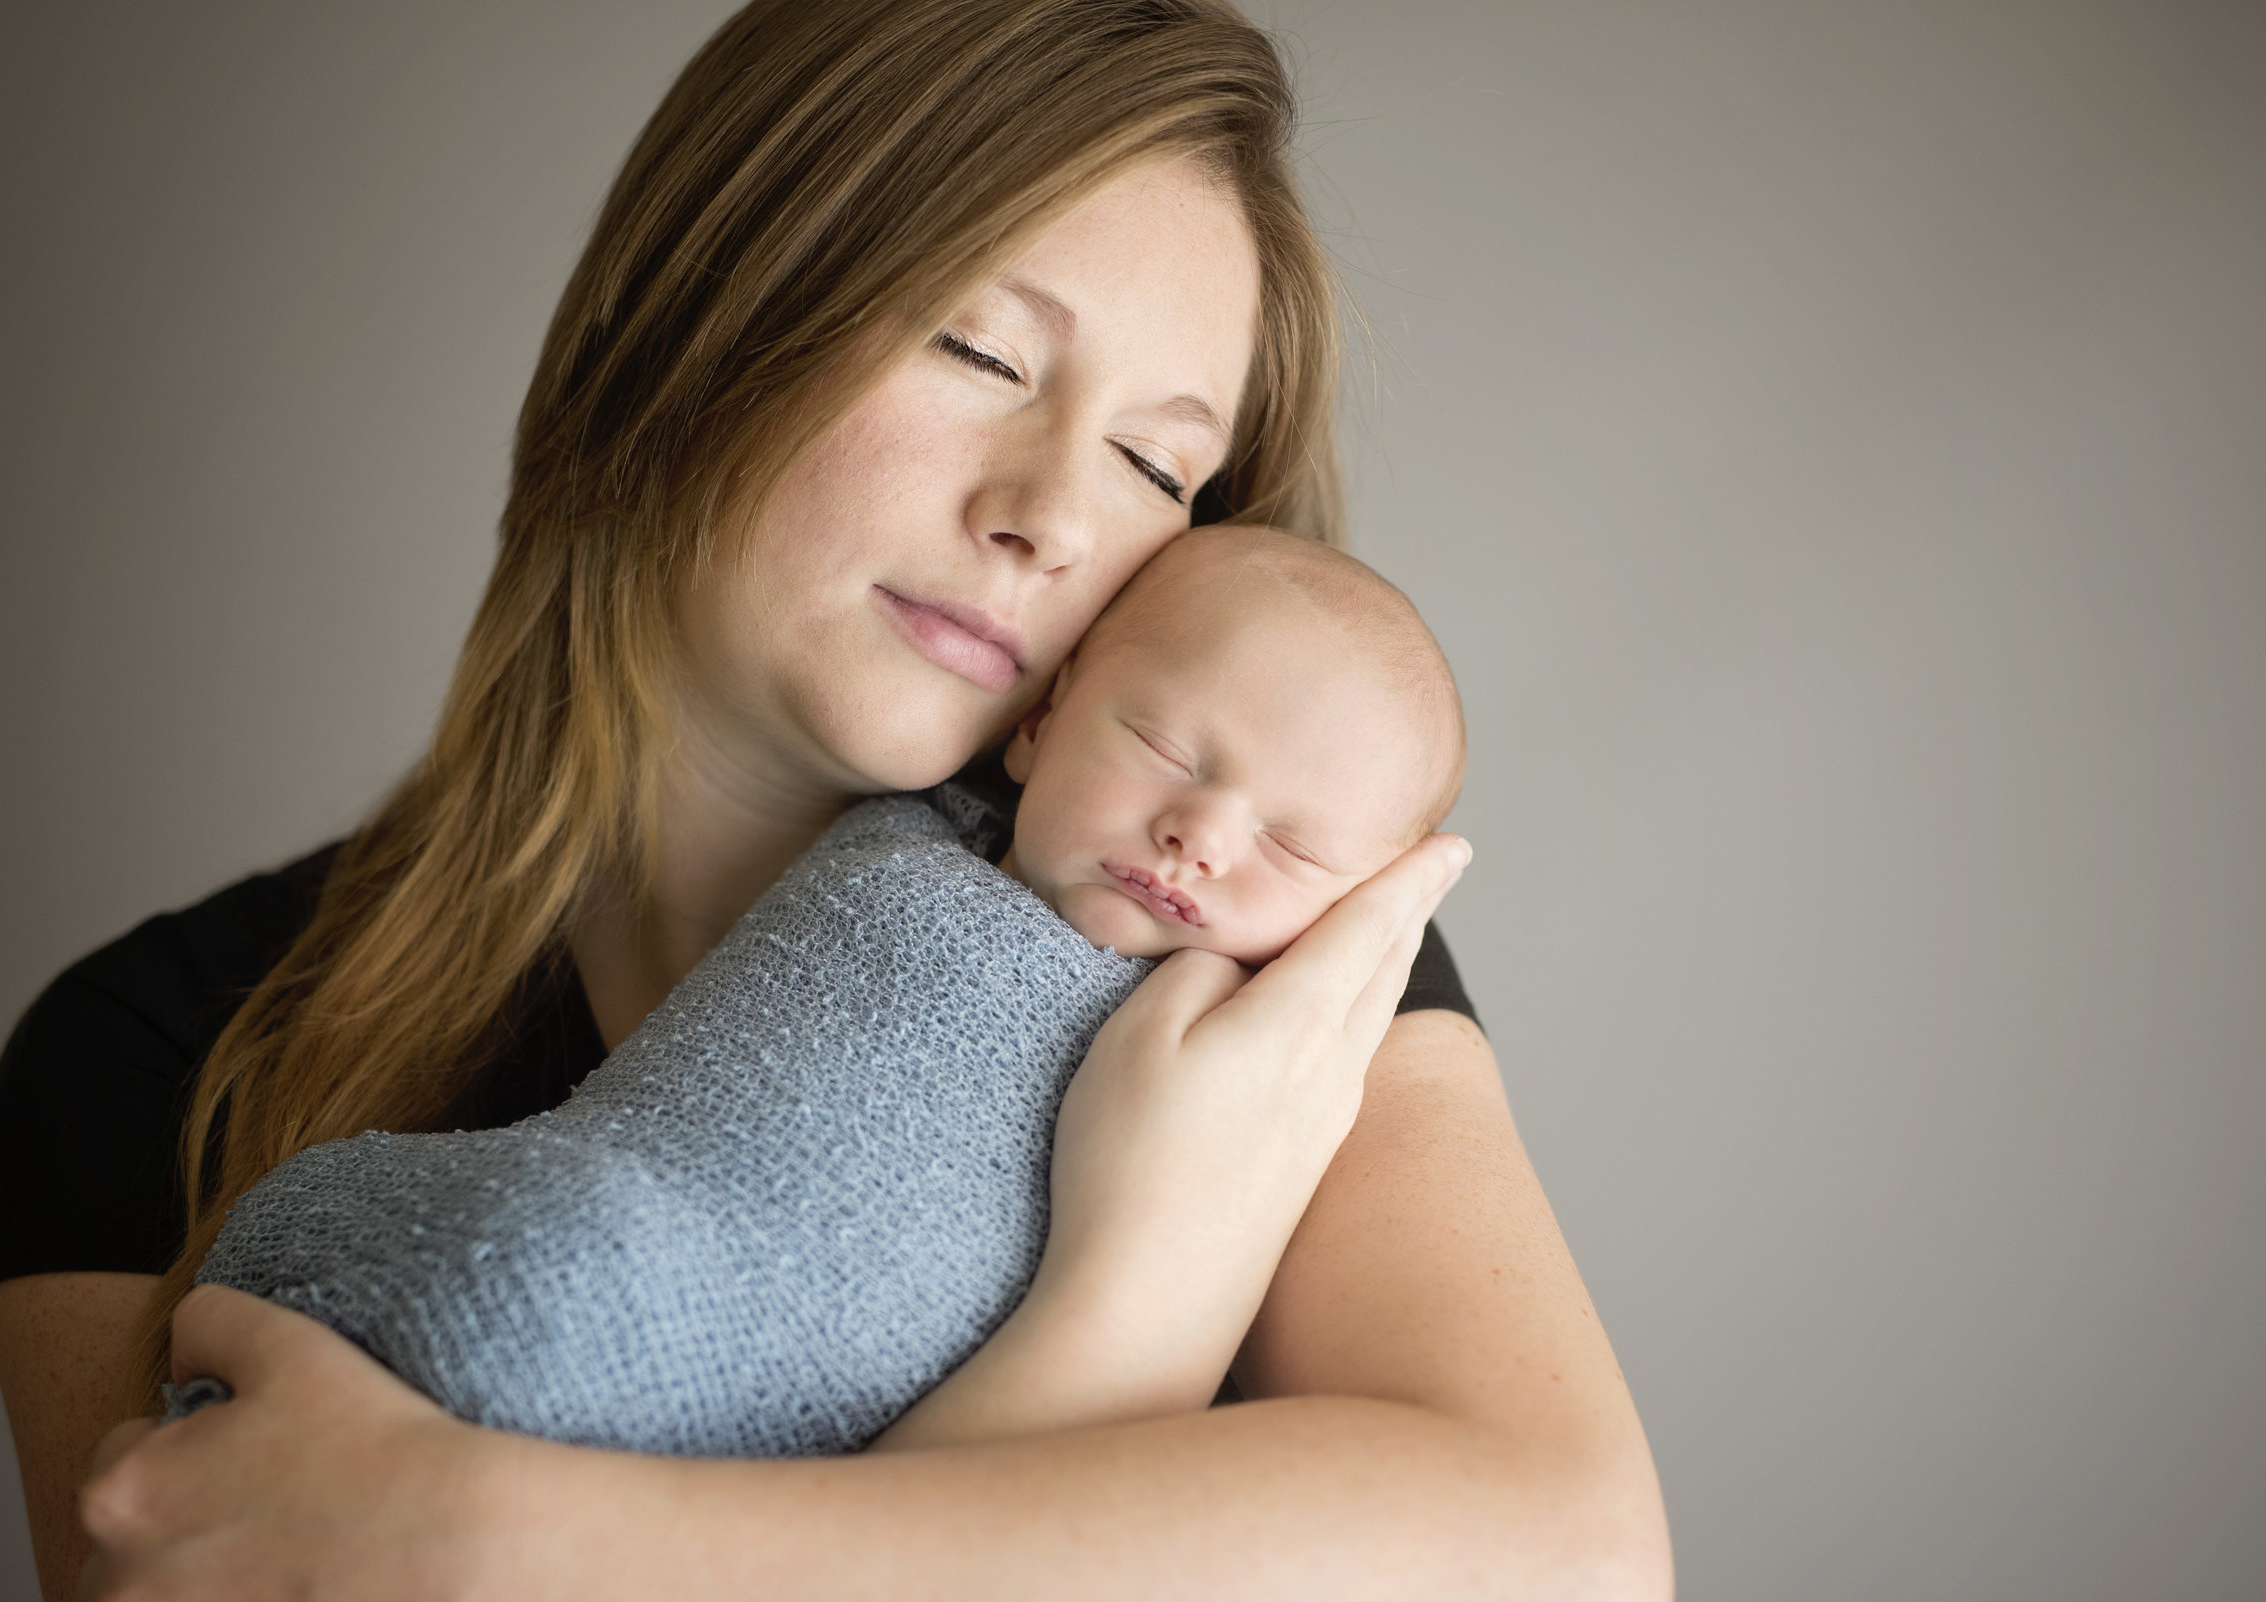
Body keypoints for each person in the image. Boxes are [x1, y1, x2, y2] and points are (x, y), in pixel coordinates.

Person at [0, 1, 1674, 1602]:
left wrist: (511, 1565)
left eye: (1159, 469)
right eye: (983, 352)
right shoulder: (150, 1052)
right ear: (702, 312)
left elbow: (1567, 1589)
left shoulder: (1223, 932)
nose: (1051, 517)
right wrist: (1131, 1309)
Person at [178, 527, 1467, 1461]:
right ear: (1044, 721)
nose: (1200, 835)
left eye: (1293, 851)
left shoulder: (1282, 1054)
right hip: (590, 1210)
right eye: (1167, 750)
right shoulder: (907, 827)